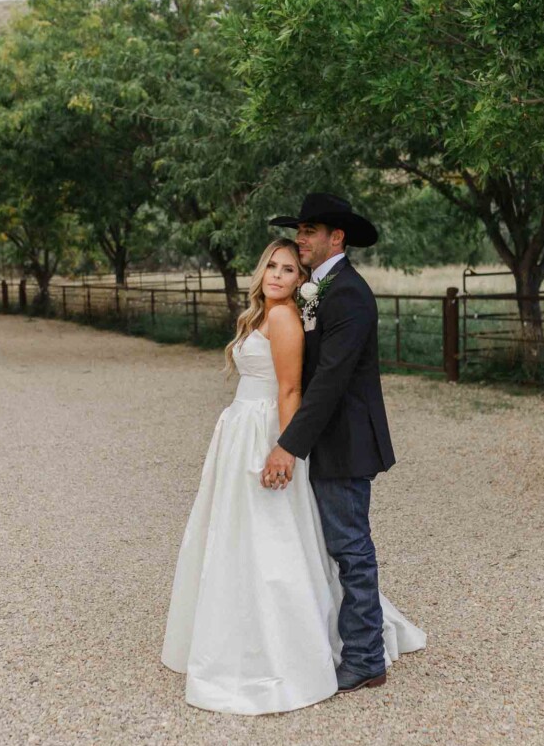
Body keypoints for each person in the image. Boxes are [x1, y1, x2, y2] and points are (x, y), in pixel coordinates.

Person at [161, 232, 424, 716]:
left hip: (273, 434)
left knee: (308, 541)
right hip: (245, 430)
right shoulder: (270, 311)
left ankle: (353, 652)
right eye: (273, 266)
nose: (279, 274)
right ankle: (246, 631)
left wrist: (286, 448)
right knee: (246, 537)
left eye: (289, 268)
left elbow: (292, 389)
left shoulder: (299, 311)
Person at [261, 193, 401, 694]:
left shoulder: (349, 294)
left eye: (309, 231)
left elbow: (330, 381)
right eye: (299, 230)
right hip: (324, 436)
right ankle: (342, 643)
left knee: (350, 547)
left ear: (336, 238)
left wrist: (288, 445)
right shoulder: (317, 289)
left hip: (344, 440)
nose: (300, 239)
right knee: (331, 545)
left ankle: (365, 658)